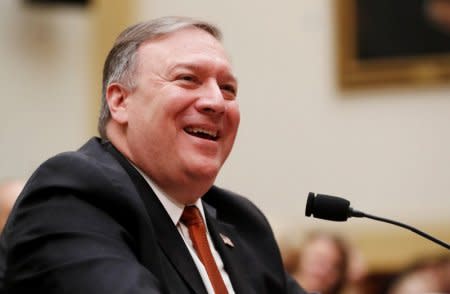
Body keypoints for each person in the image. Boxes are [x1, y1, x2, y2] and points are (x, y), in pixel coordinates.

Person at [0, 16, 307, 294]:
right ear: (120, 101)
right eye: (188, 79)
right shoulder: (72, 196)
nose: (216, 101)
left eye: (228, 88)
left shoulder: (240, 219)